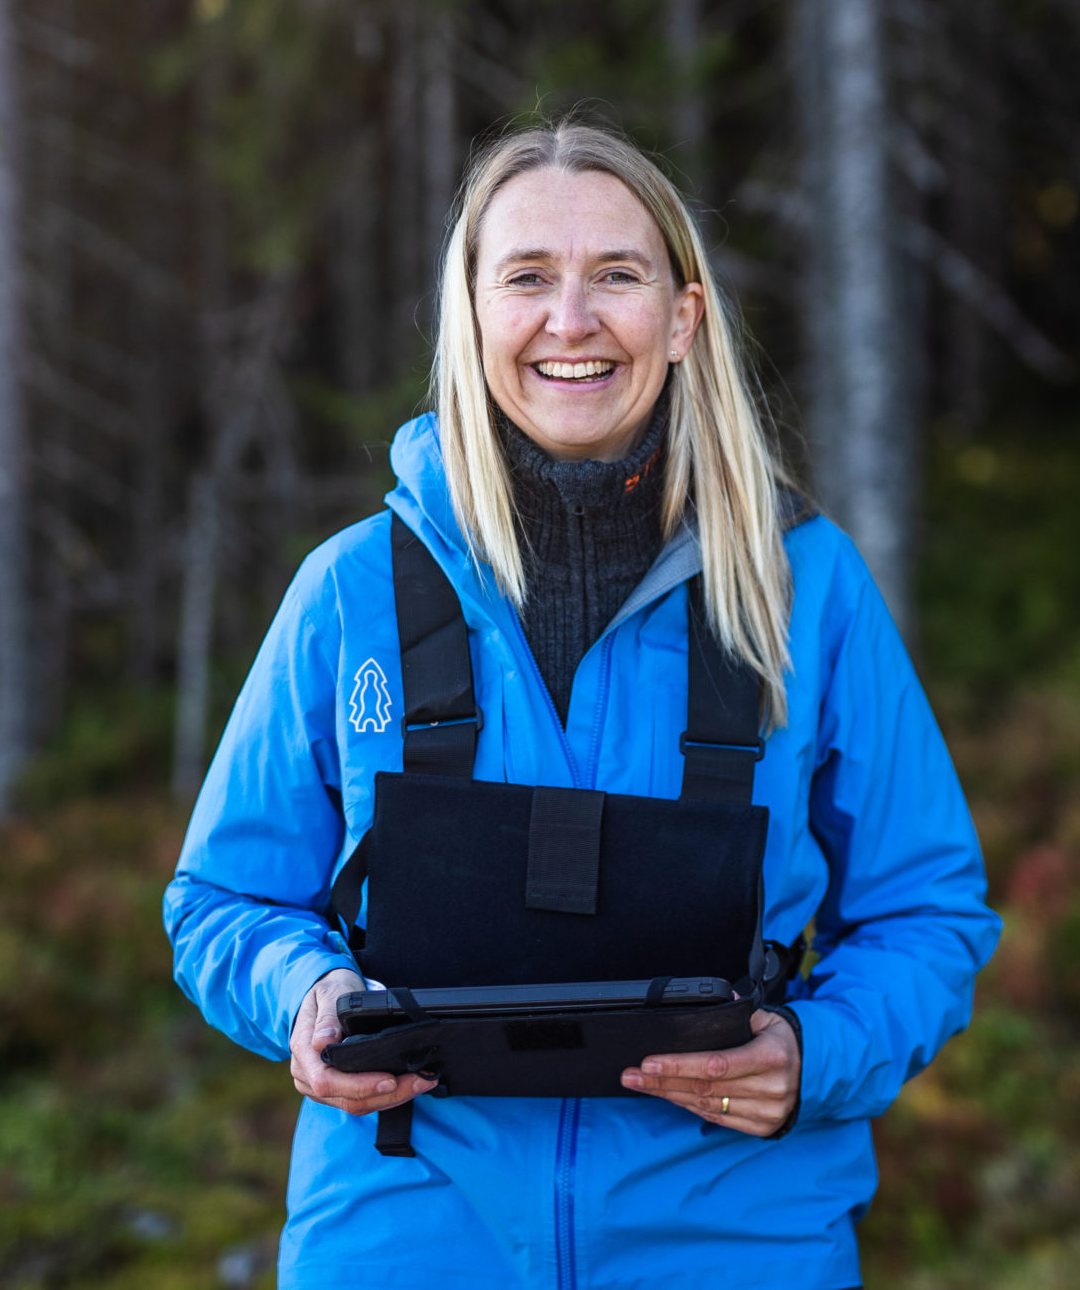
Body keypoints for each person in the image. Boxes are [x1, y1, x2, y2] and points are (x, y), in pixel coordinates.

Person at [165, 121, 1000, 1289]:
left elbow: (930, 908)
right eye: (527, 279)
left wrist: (818, 1053)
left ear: (683, 317)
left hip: (732, 1238)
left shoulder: (807, 590)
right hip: (403, 1237)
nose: (571, 321)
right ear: (470, 315)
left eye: (617, 275)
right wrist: (304, 994)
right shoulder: (351, 591)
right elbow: (220, 898)